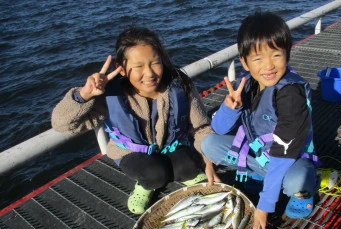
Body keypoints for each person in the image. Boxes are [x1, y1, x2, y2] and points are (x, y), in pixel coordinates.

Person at [52, 26, 220, 214]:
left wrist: (208, 161)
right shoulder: (110, 95)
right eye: (138, 66)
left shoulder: (179, 85)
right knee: (155, 174)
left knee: (190, 167)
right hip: (131, 152)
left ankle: (178, 170)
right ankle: (145, 185)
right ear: (121, 69)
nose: (149, 74)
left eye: (155, 63)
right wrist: (83, 95)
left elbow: (201, 127)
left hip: (171, 145)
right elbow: (62, 124)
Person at [201, 11, 319, 229]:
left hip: (289, 159)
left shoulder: (290, 93)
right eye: (258, 58)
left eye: (276, 55)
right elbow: (218, 129)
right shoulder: (246, 86)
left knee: (298, 179)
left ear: (287, 53)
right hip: (260, 156)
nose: (268, 66)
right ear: (244, 62)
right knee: (209, 144)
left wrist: (265, 206)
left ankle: (305, 193)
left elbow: (283, 155)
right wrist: (230, 108)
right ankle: (259, 175)